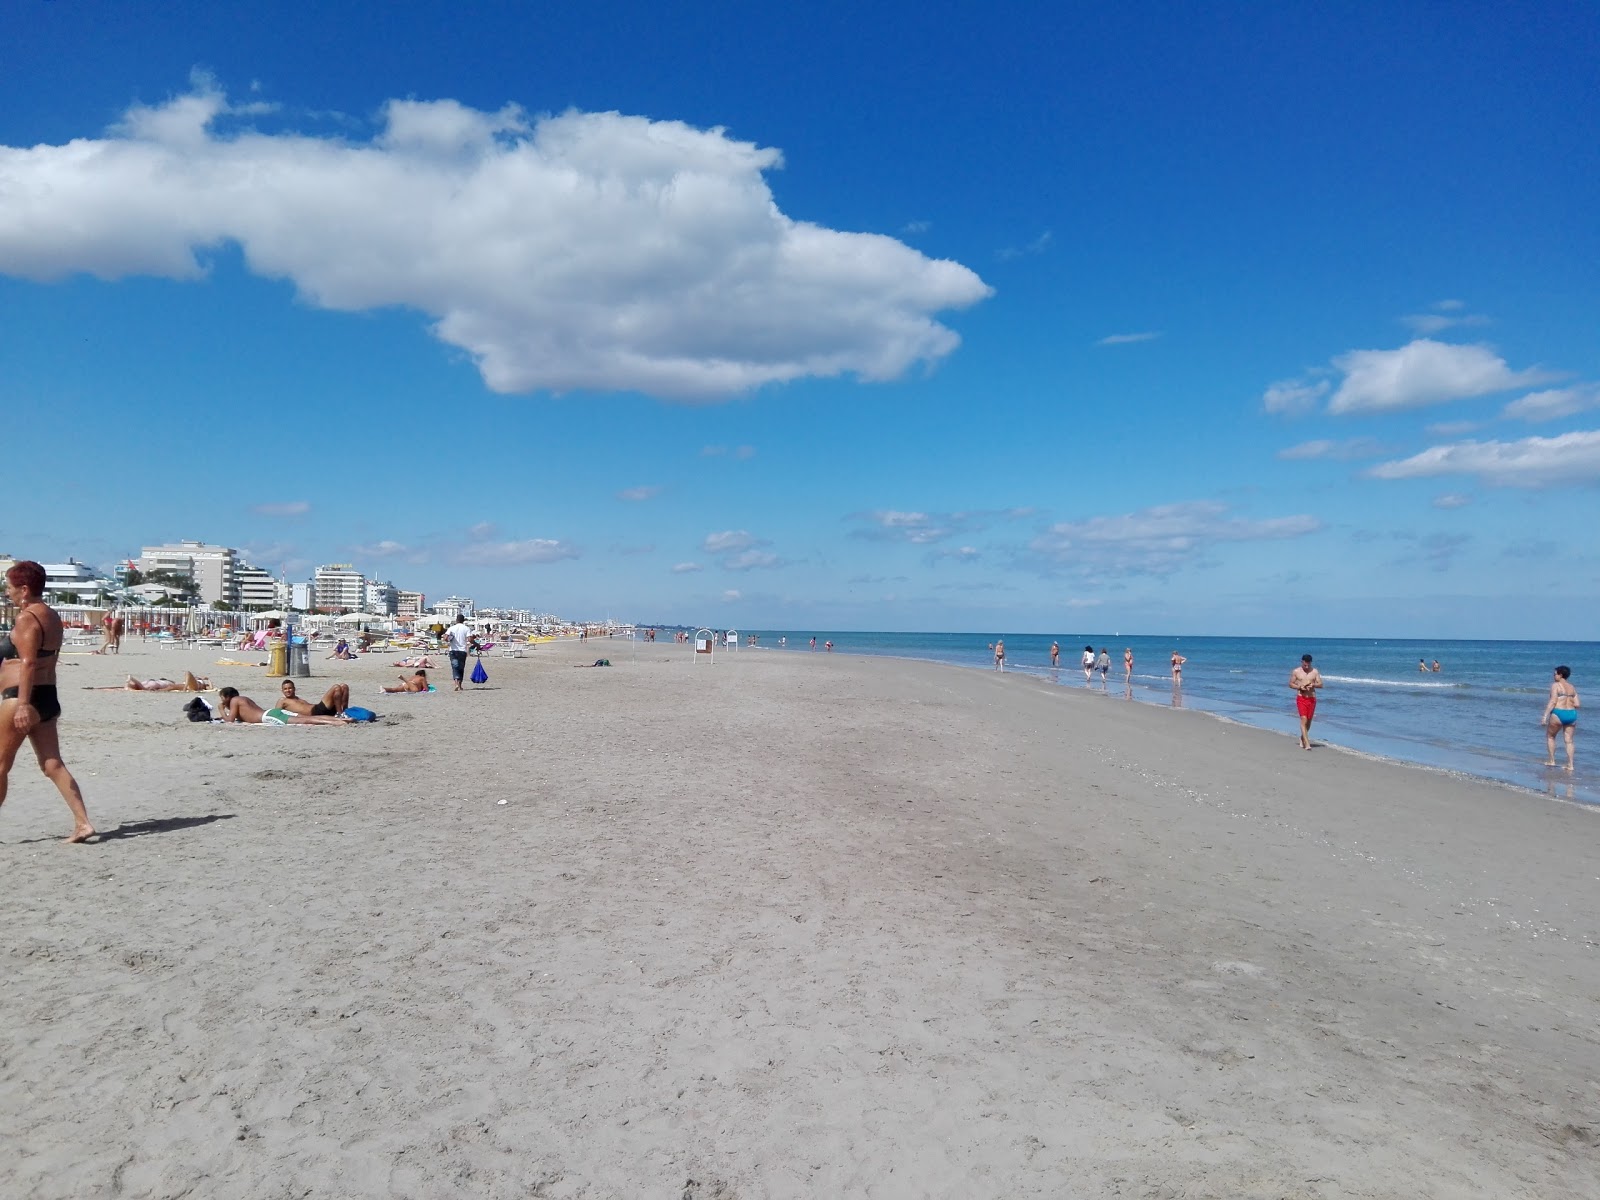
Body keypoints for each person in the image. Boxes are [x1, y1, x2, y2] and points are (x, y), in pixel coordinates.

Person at [0, 561, 96, 842]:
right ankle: (83, 823)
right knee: (52, 763)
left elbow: (28, 663)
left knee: (1, 764)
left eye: (10, 587)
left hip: (22, 696)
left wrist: (22, 704)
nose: (8, 593)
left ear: (25, 589)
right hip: (46, 696)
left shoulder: (28, 618)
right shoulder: (52, 616)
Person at [217, 686, 349, 725]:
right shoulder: (243, 699)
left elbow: (230, 720)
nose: (223, 702)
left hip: (268, 716)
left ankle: (337, 722)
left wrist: (222, 711)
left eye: (223, 699)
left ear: (228, 697)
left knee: (305, 720)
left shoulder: (234, 701)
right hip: (270, 712)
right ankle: (341, 719)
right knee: (302, 718)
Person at [1543, 665, 1579, 772]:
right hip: (1572, 714)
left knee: (1550, 736)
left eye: (1555, 674)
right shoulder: (1572, 687)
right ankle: (1571, 765)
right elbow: (1577, 704)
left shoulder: (1556, 685)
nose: (1554, 676)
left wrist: (1545, 715)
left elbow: (1553, 701)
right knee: (1569, 741)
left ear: (1560, 675)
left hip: (1558, 713)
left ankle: (1552, 761)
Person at [1289, 654, 1323, 751]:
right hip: (1301, 698)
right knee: (1303, 719)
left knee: (1308, 721)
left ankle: (1302, 737)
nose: (1306, 667)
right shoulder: (1296, 671)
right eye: (1305, 665)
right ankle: (1307, 743)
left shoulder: (1315, 671)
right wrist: (1299, 687)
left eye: (1308, 665)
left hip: (1312, 699)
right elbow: (1291, 684)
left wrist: (1313, 685)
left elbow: (1321, 684)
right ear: (1302, 662)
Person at [277, 678, 351, 717]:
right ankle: (340, 713)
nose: (288, 690)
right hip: (316, 712)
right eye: (285, 689)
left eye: (290, 688)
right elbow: (274, 714)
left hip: (320, 709)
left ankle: (345, 711)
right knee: (336, 687)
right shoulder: (283, 700)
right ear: (282, 691)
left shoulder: (297, 698)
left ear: (294, 689)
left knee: (344, 686)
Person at [444, 614, 476, 692]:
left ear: (456, 620)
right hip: (462, 651)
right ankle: (460, 685)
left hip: (453, 650)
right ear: (463, 620)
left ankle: (456, 684)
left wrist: (449, 640)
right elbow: (469, 639)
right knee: (461, 667)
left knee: (455, 667)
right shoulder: (466, 628)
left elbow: (445, 638)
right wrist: (475, 643)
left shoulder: (451, 628)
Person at [90, 672, 210, 692]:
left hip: (153, 682)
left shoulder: (193, 685)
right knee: (142, 688)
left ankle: (130, 682)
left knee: (138, 687)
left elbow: (171, 688)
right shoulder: (194, 685)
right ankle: (131, 681)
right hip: (156, 684)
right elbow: (188, 673)